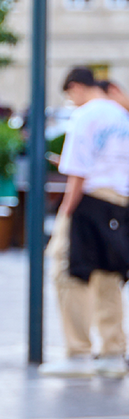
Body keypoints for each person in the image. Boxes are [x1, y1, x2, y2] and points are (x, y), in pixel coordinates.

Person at [40, 66, 129, 377]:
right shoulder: (121, 115)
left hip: (89, 199)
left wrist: (65, 211)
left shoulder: (85, 115)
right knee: (109, 274)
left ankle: (77, 351)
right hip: (119, 201)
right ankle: (113, 352)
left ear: (75, 87)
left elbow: (78, 170)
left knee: (67, 271)